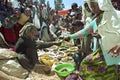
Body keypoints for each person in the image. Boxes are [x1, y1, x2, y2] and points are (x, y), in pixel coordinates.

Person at [64, 0, 120, 79]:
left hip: (116, 53)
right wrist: (71, 37)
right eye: (91, 6)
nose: (92, 9)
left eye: (94, 6)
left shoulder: (117, 15)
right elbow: (84, 32)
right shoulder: (96, 20)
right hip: (104, 52)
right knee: (87, 64)